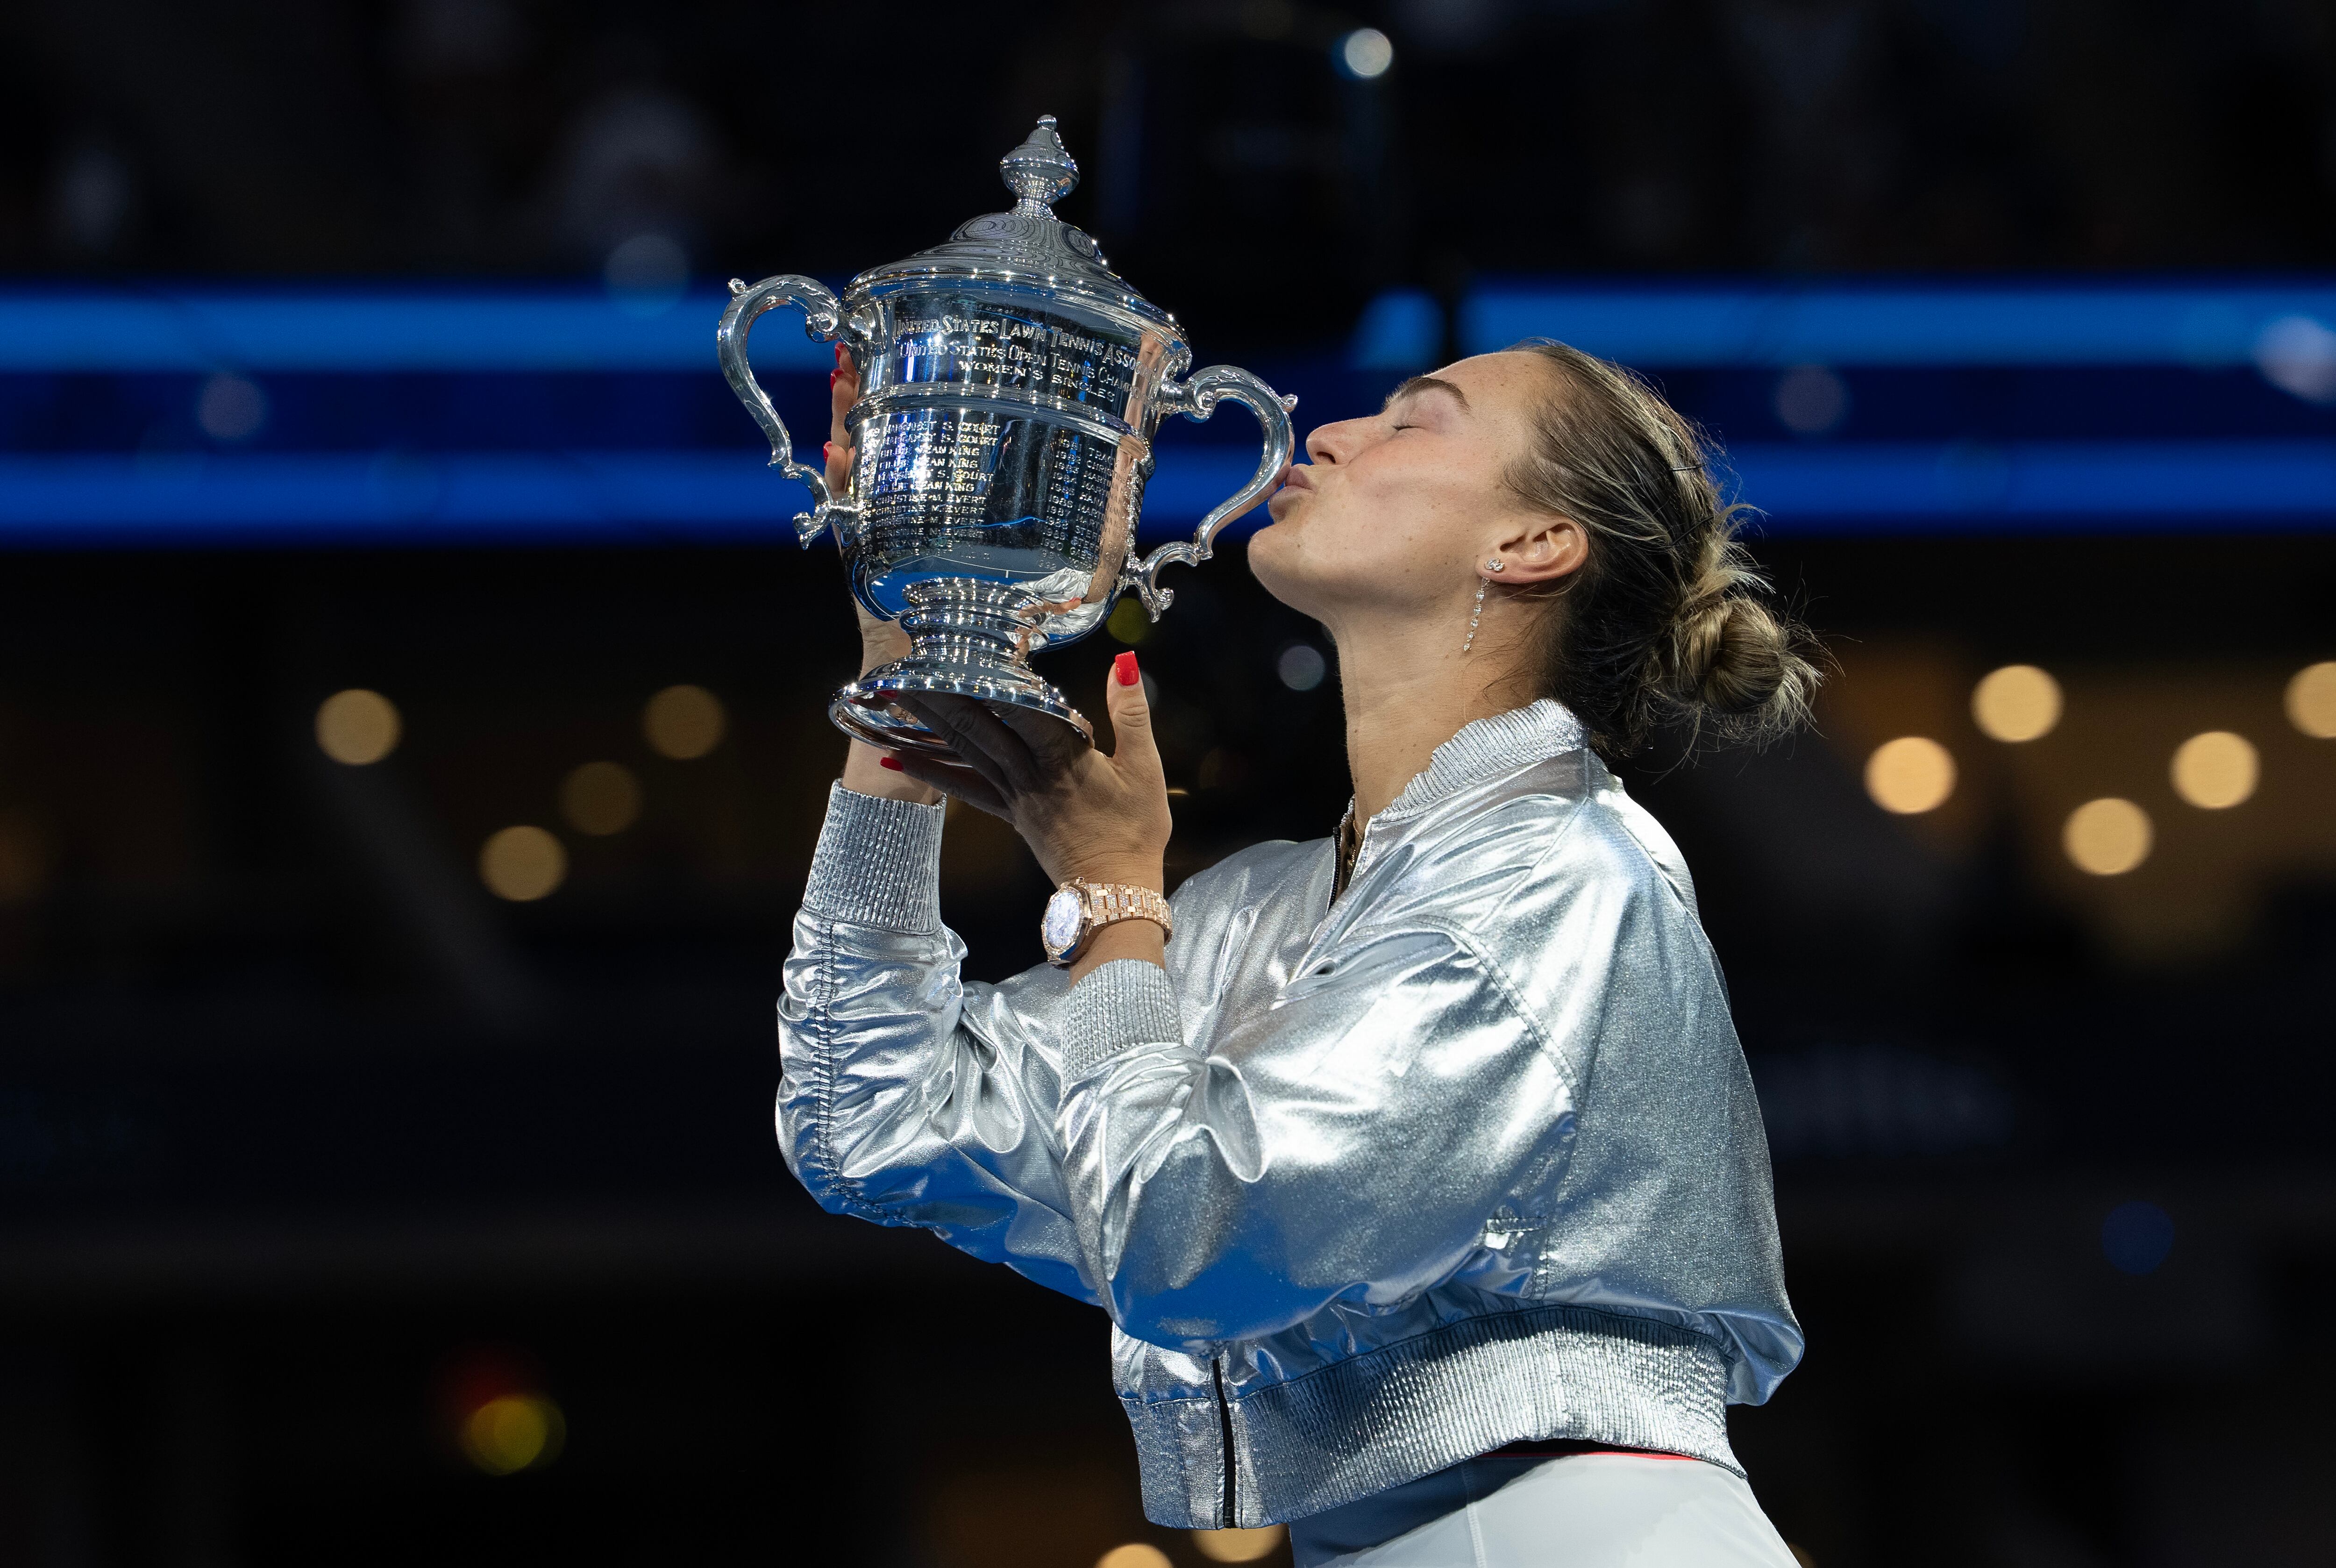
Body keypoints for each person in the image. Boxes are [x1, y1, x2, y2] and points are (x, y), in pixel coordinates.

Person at [777, 339, 1820, 1566]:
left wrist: (1116, 900)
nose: (1330, 435)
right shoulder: (1257, 910)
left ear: (1532, 543)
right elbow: (873, 1116)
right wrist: (904, 680)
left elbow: (1195, 1240)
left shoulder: (1567, 869)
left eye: (1414, 420)